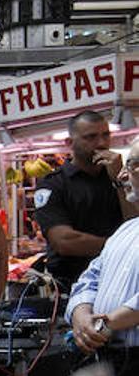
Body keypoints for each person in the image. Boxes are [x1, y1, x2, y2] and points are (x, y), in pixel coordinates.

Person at [66, 145, 139, 376]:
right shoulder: (126, 230)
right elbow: (89, 278)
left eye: (134, 166)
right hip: (111, 363)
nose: (123, 175)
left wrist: (108, 323)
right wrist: (82, 313)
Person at [34, 110, 138, 293]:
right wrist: (121, 246)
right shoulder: (54, 184)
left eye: (106, 135)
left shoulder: (116, 177)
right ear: (69, 143)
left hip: (119, 282)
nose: (101, 143)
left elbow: (134, 223)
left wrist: (119, 182)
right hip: (69, 285)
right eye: (91, 137)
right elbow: (64, 241)